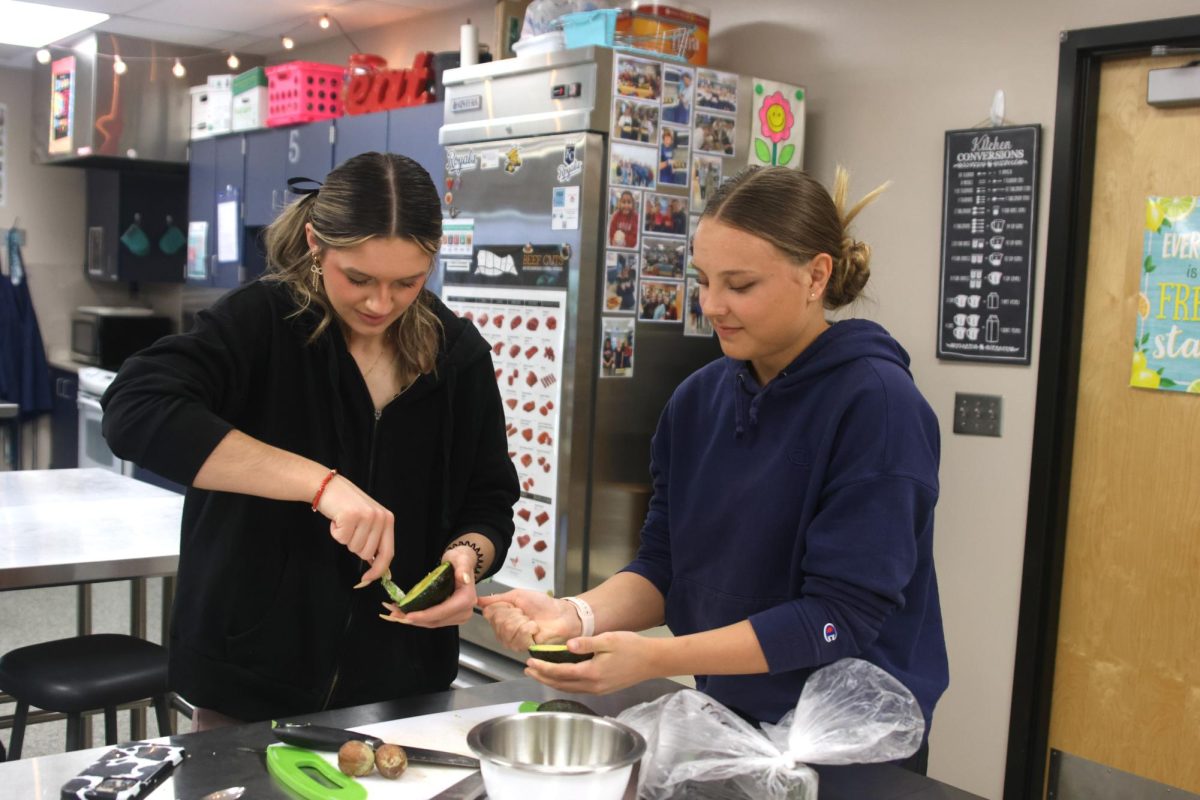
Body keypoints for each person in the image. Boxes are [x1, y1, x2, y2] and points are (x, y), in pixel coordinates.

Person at [479, 165, 948, 774]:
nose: (712, 305)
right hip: (727, 730)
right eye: (703, 280)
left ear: (817, 275)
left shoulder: (879, 408)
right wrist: (577, 615)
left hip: (848, 754)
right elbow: (664, 567)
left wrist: (653, 660)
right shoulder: (697, 402)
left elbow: (838, 621)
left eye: (740, 284)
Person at [102, 152, 519, 730]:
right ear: (315, 243)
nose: (380, 304)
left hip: (402, 691)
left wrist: (466, 561)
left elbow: (490, 500)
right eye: (358, 278)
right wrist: (320, 485)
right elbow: (135, 410)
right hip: (250, 685)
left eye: (407, 282)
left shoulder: (459, 354)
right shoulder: (261, 323)